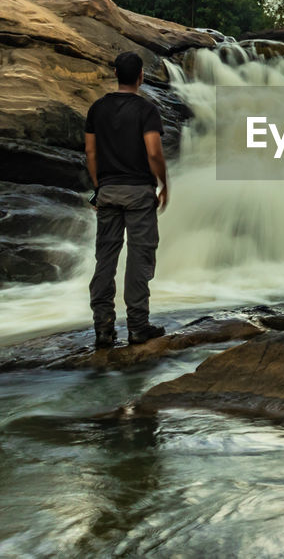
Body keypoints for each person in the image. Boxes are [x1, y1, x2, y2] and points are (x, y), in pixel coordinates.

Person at [85, 50, 170, 349]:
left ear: (115, 75)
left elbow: (91, 153)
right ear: (140, 77)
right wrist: (164, 184)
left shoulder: (97, 109)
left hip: (108, 192)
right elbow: (154, 153)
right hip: (139, 194)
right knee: (139, 257)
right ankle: (137, 326)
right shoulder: (147, 111)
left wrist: (100, 186)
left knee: (105, 258)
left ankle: (104, 328)